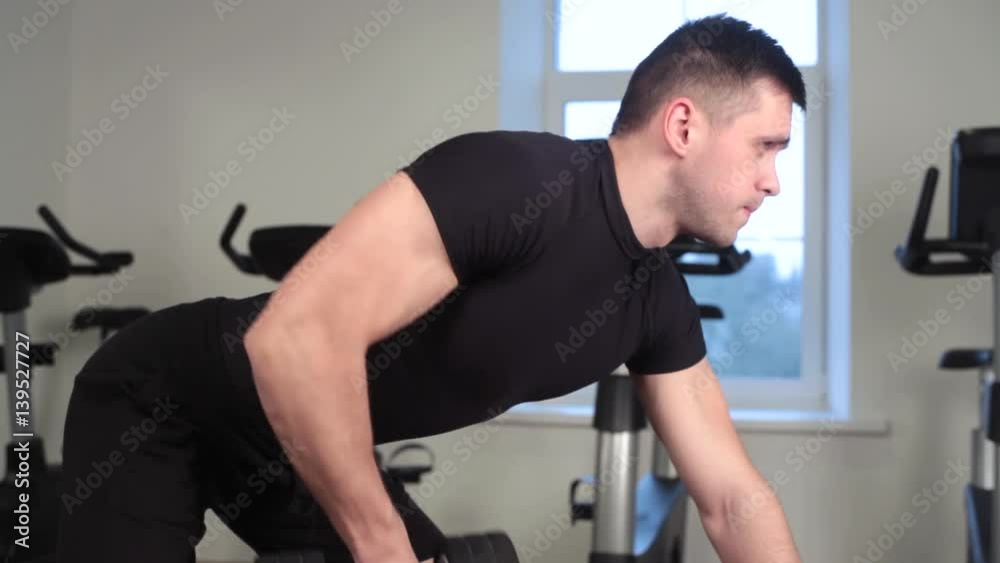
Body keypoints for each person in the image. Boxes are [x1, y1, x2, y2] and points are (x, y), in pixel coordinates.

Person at [57, 14, 806, 563]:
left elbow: (733, 499)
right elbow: (291, 338)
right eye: (765, 146)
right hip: (163, 397)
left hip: (293, 443)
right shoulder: (521, 182)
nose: (774, 180)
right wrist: (382, 545)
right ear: (683, 126)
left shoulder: (655, 301)